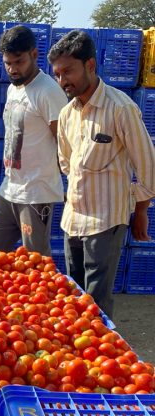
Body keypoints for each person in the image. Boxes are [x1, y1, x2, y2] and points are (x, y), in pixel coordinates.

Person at [49, 30, 155, 317]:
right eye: (57, 74)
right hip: (73, 219)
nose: (62, 81)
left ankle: (100, 350)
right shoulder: (68, 114)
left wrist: (140, 210)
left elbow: (148, 166)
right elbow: (66, 163)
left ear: (91, 65)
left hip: (106, 219)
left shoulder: (121, 108)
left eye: (68, 72)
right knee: (75, 292)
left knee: (95, 299)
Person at [0, 25, 68, 256]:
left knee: (35, 262)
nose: (12, 69)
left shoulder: (48, 91)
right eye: (8, 63)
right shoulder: (13, 89)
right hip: (9, 188)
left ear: (34, 54)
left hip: (37, 193)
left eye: (18, 62)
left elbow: (66, 143)